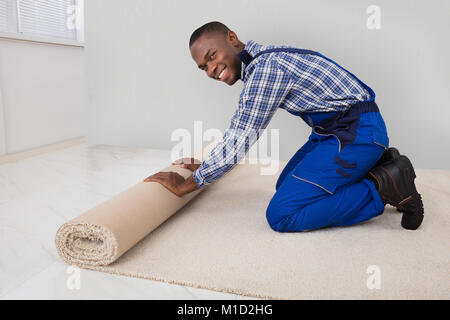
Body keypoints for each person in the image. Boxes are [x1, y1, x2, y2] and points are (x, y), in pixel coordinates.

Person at [144, 21, 424, 231]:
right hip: (337, 132)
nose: (210, 70)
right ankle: (377, 164)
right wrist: (205, 164)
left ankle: (384, 186)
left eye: (212, 56)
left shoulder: (266, 70)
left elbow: (240, 138)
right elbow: (238, 130)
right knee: (284, 187)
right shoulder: (261, 62)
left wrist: (186, 186)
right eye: (203, 67)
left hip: (357, 133)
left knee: (282, 215)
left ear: (232, 38)